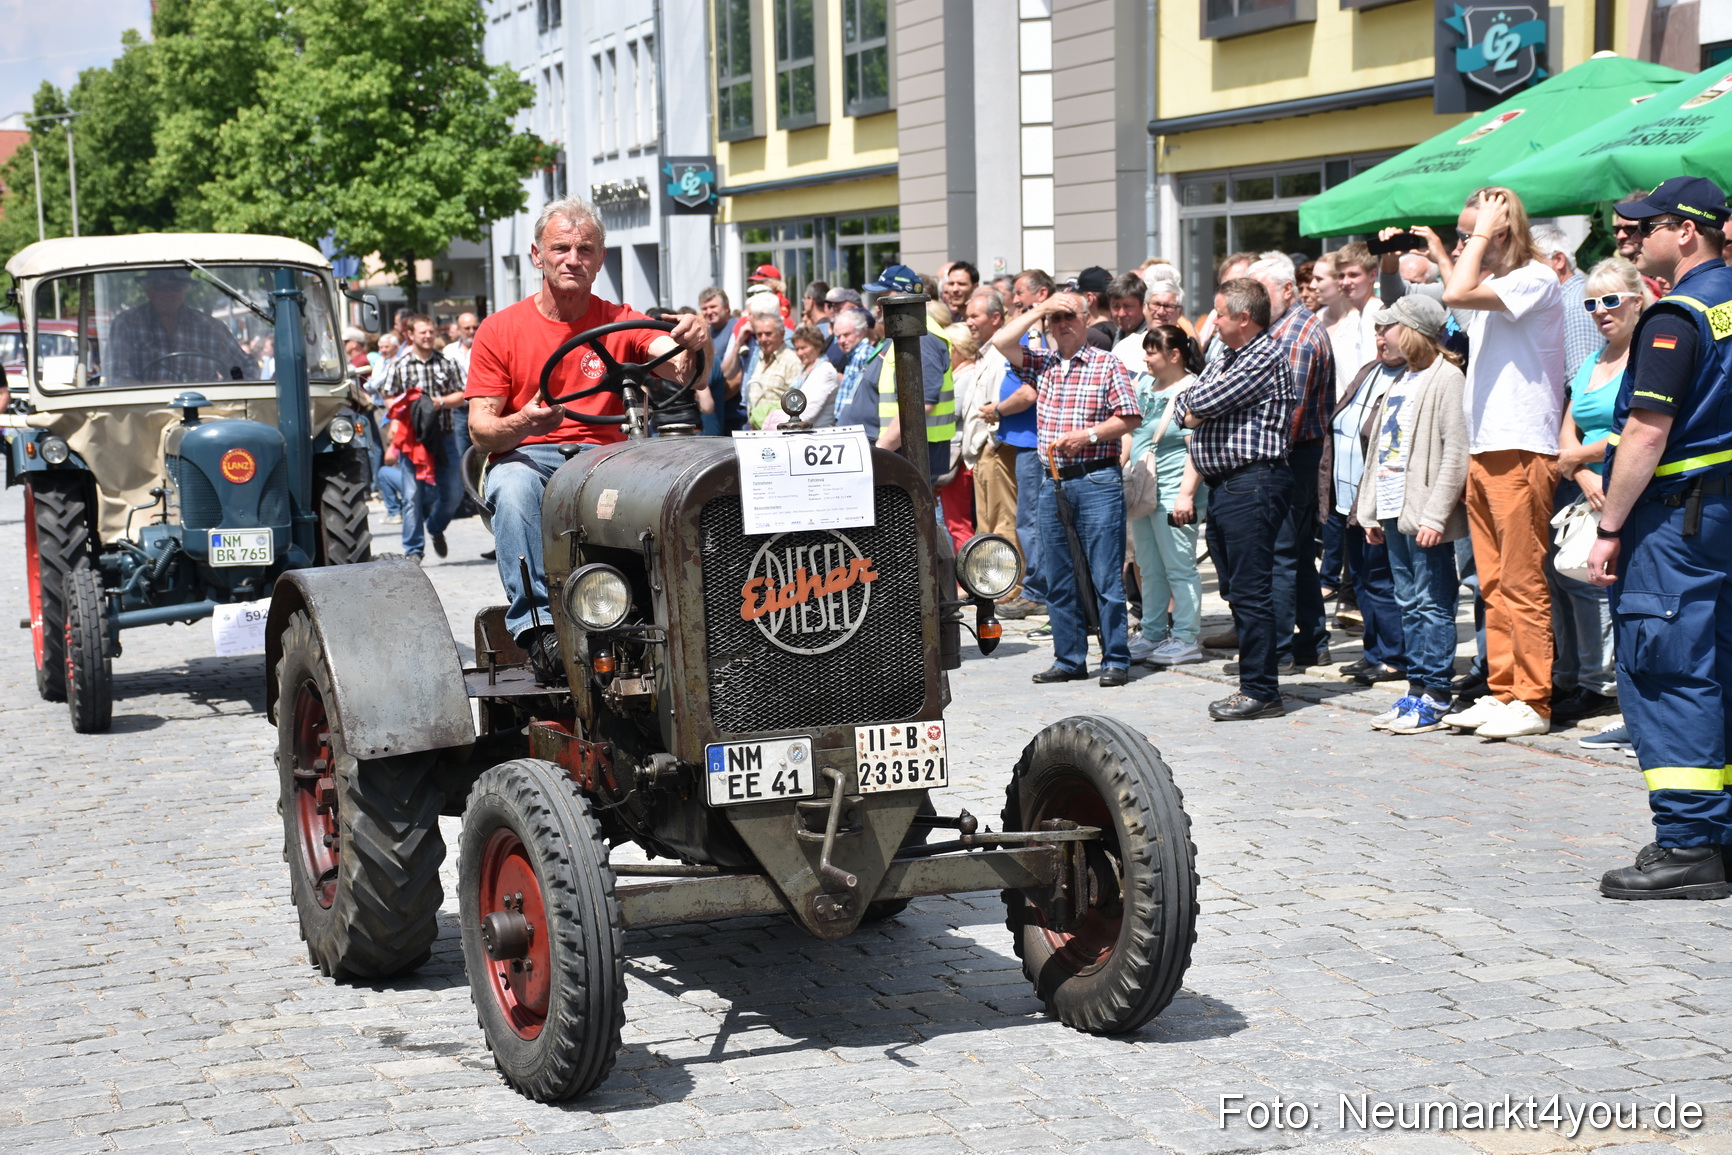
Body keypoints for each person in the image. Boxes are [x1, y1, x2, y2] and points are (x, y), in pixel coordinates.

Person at [464, 196, 709, 675]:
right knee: (513, 486)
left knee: (677, 492)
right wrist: (524, 423)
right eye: (560, 248)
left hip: (606, 459)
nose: (572, 259)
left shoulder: (621, 321)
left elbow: (687, 372)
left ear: (600, 260)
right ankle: (540, 631)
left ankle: (672, 617)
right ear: (537, 255)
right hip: (532, 456)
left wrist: (696, 341)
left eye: (585, 249)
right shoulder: (499, 330)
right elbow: (482, 430)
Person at [1585, 178, 1732, 899]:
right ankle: (1720, 837)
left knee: (1671, 670)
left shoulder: (1676, 315)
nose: (1635, 239)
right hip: (1720, 511)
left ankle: (1690, 842)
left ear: (1687, 232)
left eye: (1648, 228)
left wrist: (1609, 526)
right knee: (1720, 666)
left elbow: (1646, 431)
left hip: (1678, 518)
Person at [1440, 187, 1568, 741]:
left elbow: (1455, 290)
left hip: (1520, 447)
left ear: (1500, 231)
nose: (1463, 244)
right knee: (1491, 582)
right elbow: (1456, 294)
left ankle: (1534, 698)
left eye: (1470, 234)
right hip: (1486, 447)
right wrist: (1473, 239)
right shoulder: (1498, 284)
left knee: (1521, 580)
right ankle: (1504, 690)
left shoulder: (1535, 277)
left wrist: (1482, 234)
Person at [993, 292, 1142, 687]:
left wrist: (1089, 435)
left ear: (1086, 319)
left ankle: (1115, 658)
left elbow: (1130, 417)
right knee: (1058, 575)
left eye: (1069, 317)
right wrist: (1040, 309)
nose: (1062, 324)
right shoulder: (1042, 363)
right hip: (1053, 480)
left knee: (1105, 576)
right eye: (1055, 319)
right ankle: (1070, 658)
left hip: (1097, 478)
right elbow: (1001, 341)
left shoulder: (1106, 363)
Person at [1174, 278, 1296, 720]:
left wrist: (1194, 407)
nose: (1213, 321)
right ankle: (1255, 683)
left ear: (1244, 318)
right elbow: (1183, 402)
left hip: (1254, 481)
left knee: (1250, 589)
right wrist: (1192, 407)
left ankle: (1261, 690)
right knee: (1234, 588)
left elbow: (1203, 400)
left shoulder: (1264, 354)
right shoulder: (1225, 356)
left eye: (1220, 314)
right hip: (1225, 484)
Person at [1354, 296, 1469, 733]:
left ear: (1414, 331)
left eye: (1389, 327)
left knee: (1432, 602)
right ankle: (1416, 688)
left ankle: (1437, 694)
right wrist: (1369, 511)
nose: (1381, 336)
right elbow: (1378, 454)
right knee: (1407, 602)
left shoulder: (1447, 378)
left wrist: (1437, 516)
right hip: (1392, 509)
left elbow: (1455, 453)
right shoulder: (1400, 379)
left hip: (1423, 515)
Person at [1550, 258, 1641, 726]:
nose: (1600, 311)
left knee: (1614, 591)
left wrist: (1577, 460)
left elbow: (1639, 430)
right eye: (1591, 303)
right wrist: (1583, 473)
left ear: (1637, 301)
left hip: (1629, 490)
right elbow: (1568, 427)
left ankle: (1609, 688)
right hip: (1589, 490)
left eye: (1610, 300)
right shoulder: (1593, 360)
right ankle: (1587, 679)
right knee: (1574, 582)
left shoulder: (1646, 355)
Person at [1248, 252, 1336, 673]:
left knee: (1280, 554)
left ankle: (1279, 650)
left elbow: (1290, 414)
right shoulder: (1283, 329)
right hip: (1295, 453)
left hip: (1292, 454)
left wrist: (1261, 460)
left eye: (1260, 292)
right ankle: (1312, 642)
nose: (1253, 302)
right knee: (1296, 553)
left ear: (1287, 290)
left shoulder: (1295, 336)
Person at [1329, 315, 1406, 688]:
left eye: (1386, 332)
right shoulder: (1369, 370)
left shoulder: (1409, 377)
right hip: (1347, 498)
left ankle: (1393, 657)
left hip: (1377, 499)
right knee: (1360, 578)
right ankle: (1373, 651)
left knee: (1380, 579)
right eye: (1377, 332)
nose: (1380, 339)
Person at [1124, 325, 1207, 667]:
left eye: (1151, 352)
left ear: (1174, 355)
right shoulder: (1143, 384)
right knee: (1149, 566)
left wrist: (1186, 495)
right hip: (1144, 490)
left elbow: (1196, 449)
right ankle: (1153, 631)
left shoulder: (1192, 389)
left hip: (1175, 492)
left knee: (1179, 566)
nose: (1145, 358)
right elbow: (1131, 432)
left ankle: (1186, 637)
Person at [375, 314, 467, 562]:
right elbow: (387, 395)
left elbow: (463, 394)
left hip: (445, 437)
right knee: (412, 496)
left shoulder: (447, 363)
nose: (428, 336)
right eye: (422, 332)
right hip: (413, 440)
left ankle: (435, 527)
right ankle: (414, 550)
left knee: (454, 494)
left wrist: (439, 402)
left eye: (431, 331)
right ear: (410, 335)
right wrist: (400, 413)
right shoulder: (400, 365)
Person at [868, 265, 956, 485]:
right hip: (903, 452)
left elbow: (922, 404)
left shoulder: (922, 338)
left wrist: (881, 449)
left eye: (883, 295)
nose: (877, 304)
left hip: (911, 454)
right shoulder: (907, 333)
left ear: (903, 297)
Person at [109, 267, 253, 383]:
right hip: (147, 408)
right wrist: (152, 387)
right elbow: (116, 378)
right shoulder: (126, 324)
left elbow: (245, 367)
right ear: (148, 290)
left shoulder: (211, 327)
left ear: (186, 290)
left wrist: (226, 392)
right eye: (159, 287)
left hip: (207, 408)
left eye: (176, 287)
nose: (167, 293)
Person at [1532, 224, 1605, 382]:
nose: (1523, 273)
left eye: (1531, 263)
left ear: (1559, 260)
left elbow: (1582, 383)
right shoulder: (1566, 302)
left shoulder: (1574, 307)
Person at [745, 313, 801, 429]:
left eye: (768, 334)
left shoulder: (792, 361)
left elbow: (796, 403)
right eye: (759, 335)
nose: (763, 339)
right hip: (755, 430)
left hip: (778, 432)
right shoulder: (758, 359)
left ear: (782, 334)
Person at [782, 323, 840, 426]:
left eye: (803, 348)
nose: (799, 353)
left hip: (819, 432)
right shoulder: (806, 370)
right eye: (797, 349)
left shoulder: (826, 371)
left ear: (818, 347)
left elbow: (808, 412)